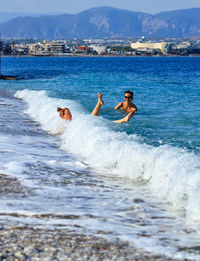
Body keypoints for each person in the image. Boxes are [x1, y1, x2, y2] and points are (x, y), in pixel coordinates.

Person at [57, 90, 137, 124]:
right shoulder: (65, 124)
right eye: (68, 114)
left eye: (70, 113)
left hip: (86, 122)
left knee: (95, 118)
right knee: (106, 122)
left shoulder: (71, 122)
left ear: (132, 98)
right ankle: (124, 119)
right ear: (63, 117)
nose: (70, 115)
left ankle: (99, 104)